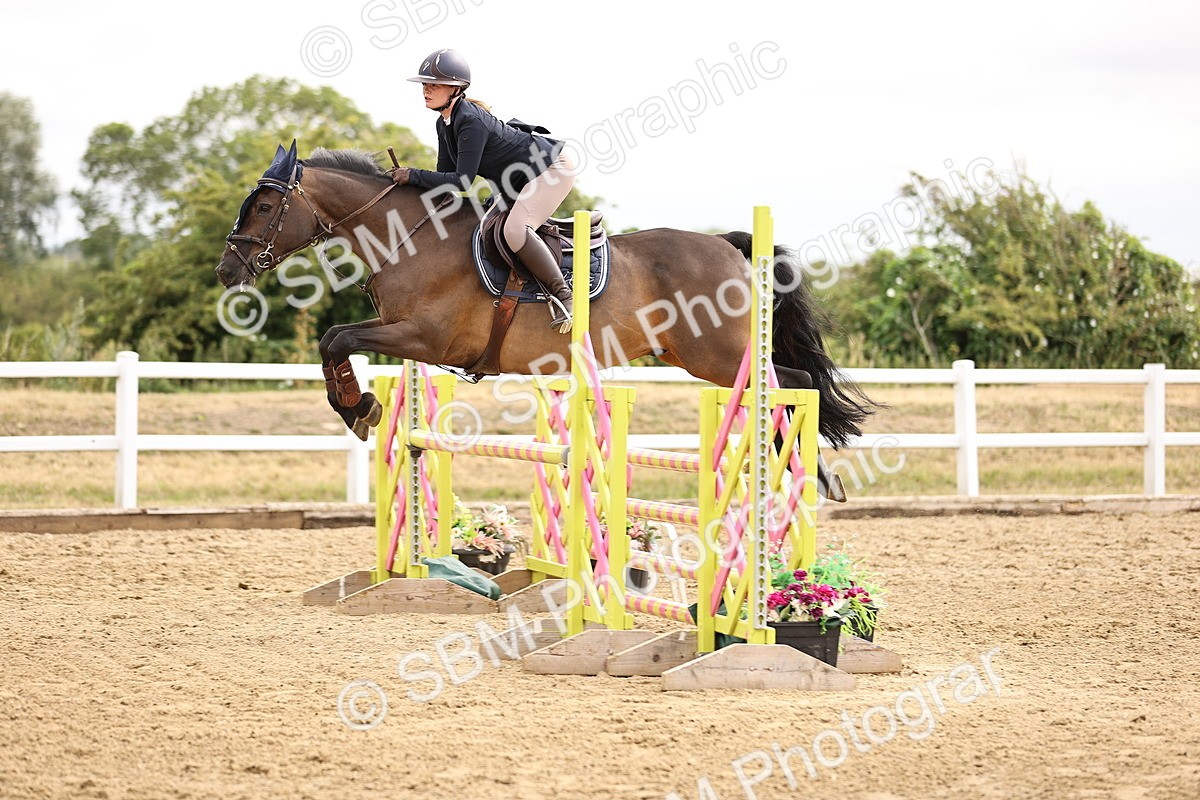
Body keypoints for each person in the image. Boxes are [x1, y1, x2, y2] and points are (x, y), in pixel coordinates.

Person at [390, 48, 577, 332]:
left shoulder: (470, 120)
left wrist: (412, 174)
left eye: (433, 85)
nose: (426, 90)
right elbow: (445, 179)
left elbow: (462, 182)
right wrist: (408, 191)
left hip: (551, 169)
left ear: (456, 89)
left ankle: (564, 297)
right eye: (424, 84)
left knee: (514, 230)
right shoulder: (445, 123)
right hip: (518, 181)